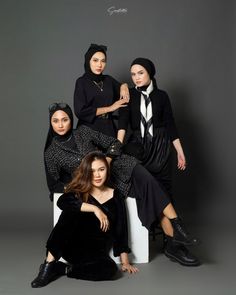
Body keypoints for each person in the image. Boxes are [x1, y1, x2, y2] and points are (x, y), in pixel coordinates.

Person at [44, 103, 200, 267]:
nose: (60, 125)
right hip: (100, 183)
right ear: (51, 123)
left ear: (71, 120)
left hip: (119, 167)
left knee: (149, 182)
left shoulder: (82, 131)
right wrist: (81, 183)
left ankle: (177, 230)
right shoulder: (51, 153)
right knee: (150, 196)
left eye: (65, 119)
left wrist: (108, 161)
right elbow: (54, 184)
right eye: (56, 121)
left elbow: (114, 143)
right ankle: (174, 242)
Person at [117, 57, 196, 265]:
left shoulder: (162, 96)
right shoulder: (129, 95)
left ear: (150, 73)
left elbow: (170, 124)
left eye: (140, 73)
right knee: (152, 193)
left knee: (164, 192)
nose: (136, 77)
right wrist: (116, 148)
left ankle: (172, 245)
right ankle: (175, 240)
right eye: (133, 74)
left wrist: (180, 151)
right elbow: (123, 123)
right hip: (138, 150)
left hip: (161, 150)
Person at [31, 152, 138, 288]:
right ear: (86, 173)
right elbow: (62, 202)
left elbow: (121, 229)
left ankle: (63, 269)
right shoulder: (80, 191)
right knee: (70, 212)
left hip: (95, 253)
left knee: (110, 270)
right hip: (70, 247)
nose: (97, 175)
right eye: (92, 171)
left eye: (101, 169)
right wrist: (95, 209)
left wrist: (125, 262)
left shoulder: (116, 196)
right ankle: (48, 265)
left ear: (107, 170)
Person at [73, 43, 129, 137]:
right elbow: (80, 111)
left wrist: (124, 85)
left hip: (108, 129)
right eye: (95, 60)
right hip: (88, 130)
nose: (99, 65)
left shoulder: (108, 80)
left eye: (103, 61)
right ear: (88, 61)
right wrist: (110, 108)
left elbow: (124, 94)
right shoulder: (81, 82)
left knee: (113, 151)